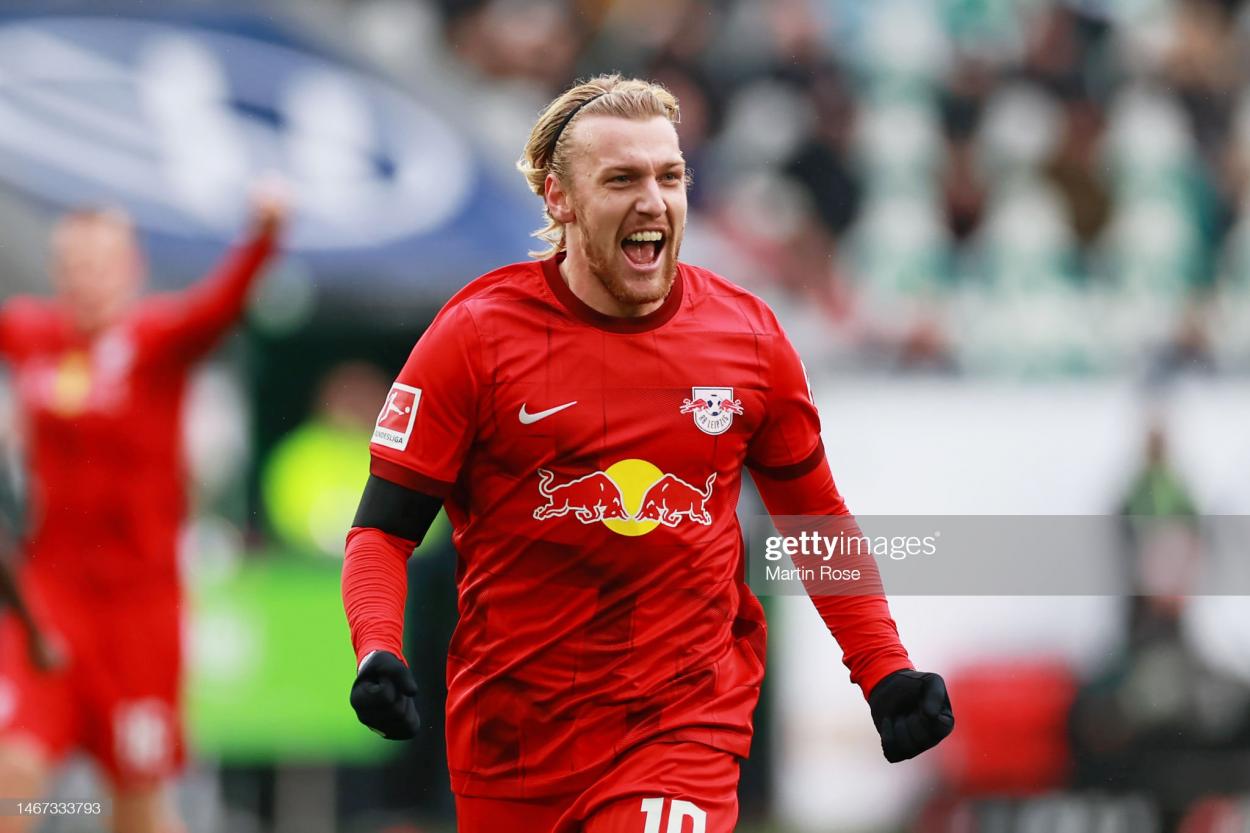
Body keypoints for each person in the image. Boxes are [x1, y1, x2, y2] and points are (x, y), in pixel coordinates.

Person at [342, 75, 953, 832]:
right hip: (513, 743)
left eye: (670, 177)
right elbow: (383, 532)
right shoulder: (475, 338)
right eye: (622, 179)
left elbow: (816, 520)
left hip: (681, 726)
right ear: (559, 200)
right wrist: (377, 647)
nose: (654, 200)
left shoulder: (749, 341)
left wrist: (883, 667)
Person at [0, 185, 287, 833]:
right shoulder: (31, 333)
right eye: (73, 264)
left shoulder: (159, 339)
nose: (85, 277)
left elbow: (221, 308)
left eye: (99, 263)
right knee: (12, 775)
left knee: (134, 802)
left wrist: (263, 237)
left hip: (138, 610)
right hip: (50, 600)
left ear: (130, 268)